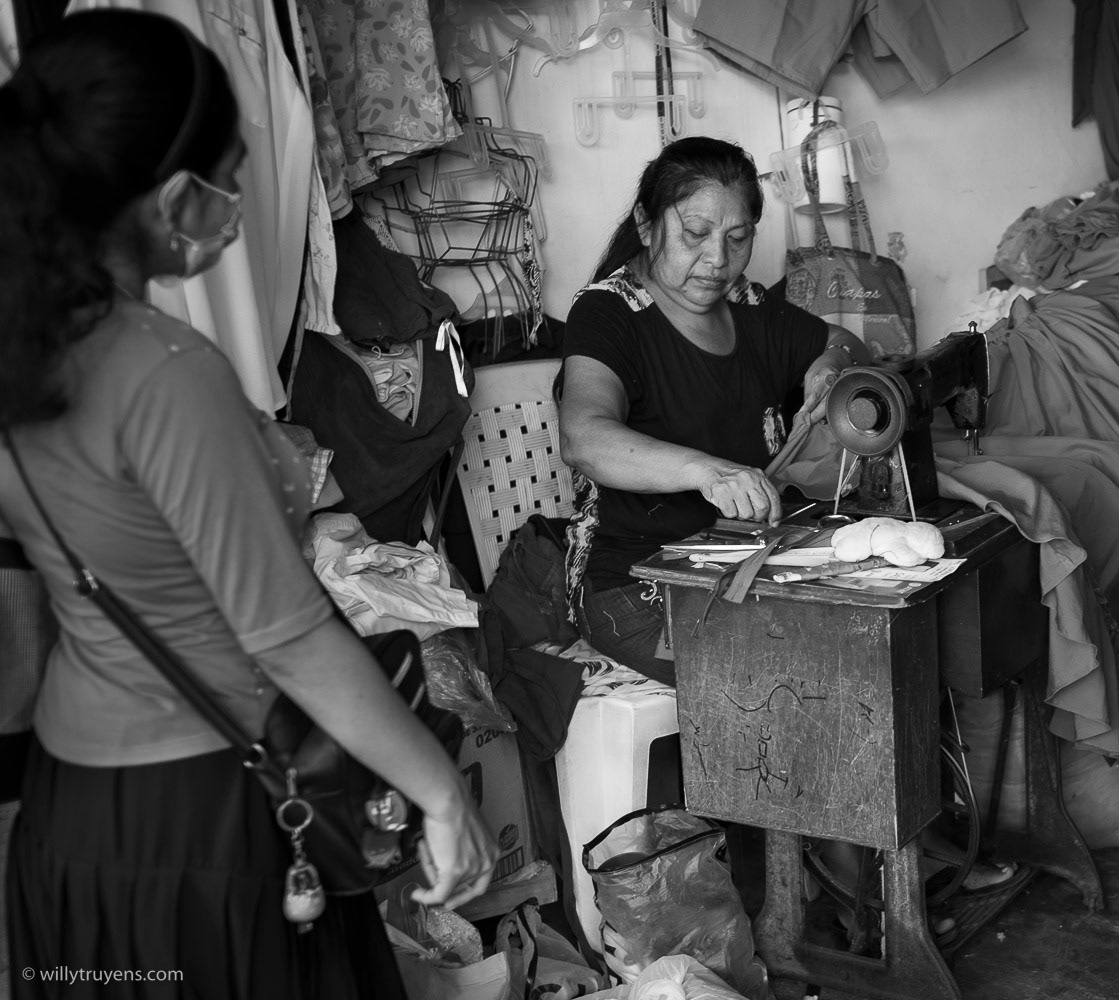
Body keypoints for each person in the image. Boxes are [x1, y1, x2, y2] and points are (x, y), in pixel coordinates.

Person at [0, 13, 497, 998]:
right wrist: (441, 790)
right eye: (230, 176)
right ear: (177, 194)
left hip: (74, 813)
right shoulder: (164, 369)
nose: (237, 206)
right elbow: (284, 633)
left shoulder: (27, 352)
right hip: (206, 809)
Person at [558, 136, 870, 686]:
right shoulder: (609, 313)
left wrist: (830, 365)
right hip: (635, 581)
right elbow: (584, 437)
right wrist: (706, 471)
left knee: (868, 647)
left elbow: (845, 340)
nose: (717, 260)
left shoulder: (748, 307)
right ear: (646, 223)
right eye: (695, 234)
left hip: (744, 560)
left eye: (738, 237)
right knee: (791, 683)